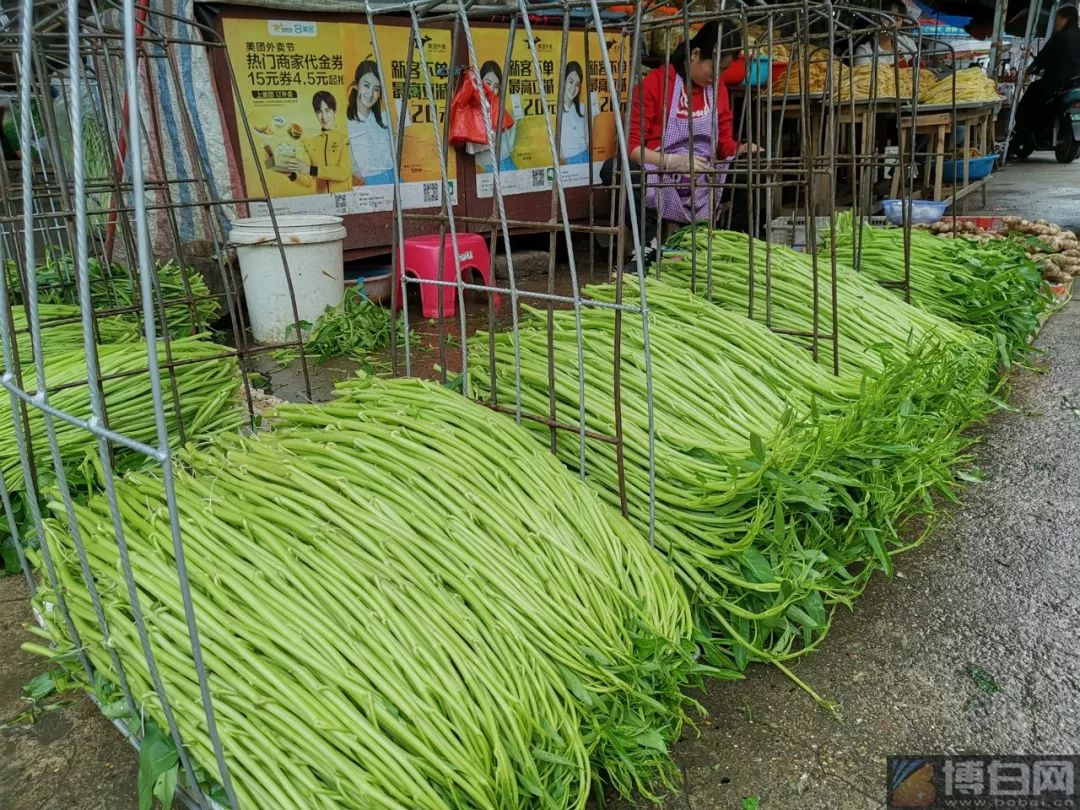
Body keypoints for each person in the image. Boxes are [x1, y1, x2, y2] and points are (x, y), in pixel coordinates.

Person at [601, 20, 758, 246]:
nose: (717, 76)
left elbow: (725, 144)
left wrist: (742, 150)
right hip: (660, 173)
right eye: (714, 67)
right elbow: (631, 146)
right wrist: (672, 161)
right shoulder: (656, 83)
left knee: (752, 171)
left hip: (704, 174)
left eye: (723, 70)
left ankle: (727, 243)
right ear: (695, 54)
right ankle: (648, 245)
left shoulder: (717, 88)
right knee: (613, 170)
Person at [1010, 5, 1080, 154]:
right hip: (1075, 84)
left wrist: (1031, 69)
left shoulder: (1060, 37)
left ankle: (1025, 130)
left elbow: (1043, 58)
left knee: (1028, 102)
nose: (1056, 23)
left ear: (1065, 19)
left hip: (1056, 83)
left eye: (1057, 19)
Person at [274, 91, 351, 194]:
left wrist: (310, 169)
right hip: (320, 199)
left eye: (327, 110)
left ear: (334, 112)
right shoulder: (310, 143)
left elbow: (343, 172)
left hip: (343, 198)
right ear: (316, 114)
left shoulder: (345, 140)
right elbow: (308, 182)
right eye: (319, 112)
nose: (324, 117)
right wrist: (291, 174)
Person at [346, 61, 396, 186]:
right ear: (356, 85)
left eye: (376, 89)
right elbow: (349, 162)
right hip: (369, 183)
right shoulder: (345, 122)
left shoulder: (384, 118)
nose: (370, 94)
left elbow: (393, 153)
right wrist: (367, 181)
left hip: (394, 178)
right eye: (366, 86)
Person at [470, 61, 517, 172]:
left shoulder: (499, 110)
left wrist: (514, 126)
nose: (491, 89)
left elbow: (508, 148)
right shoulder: (474, 110)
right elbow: (474, 150)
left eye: (496, 86)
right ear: (479, 82)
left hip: (507, 162)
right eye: (488, 83)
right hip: (487, 166)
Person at [853, 1, 920, 68]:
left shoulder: (907, 43)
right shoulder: (865, 52)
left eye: (897, 19)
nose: (893, 24)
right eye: (888, 18)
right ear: (878, 19)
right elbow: (864, 76)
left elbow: (919, 70)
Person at [559, 61, 591, 165]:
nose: (573, 88)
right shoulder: (556, 111)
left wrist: (594, 117)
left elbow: (588, 140)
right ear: (563, 81)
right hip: (569, 161)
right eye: (571, 82)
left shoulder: (582, 108)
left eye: (577, 84)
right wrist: (566, 160)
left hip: (586, 156)